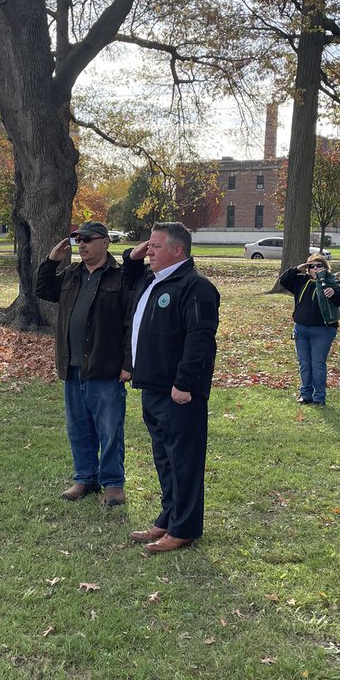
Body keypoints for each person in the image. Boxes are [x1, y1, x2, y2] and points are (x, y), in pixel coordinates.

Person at [121, 222, 220, 554]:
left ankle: (185, 528)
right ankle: (168, 518)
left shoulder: (195, 287)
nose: (149, 252)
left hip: (178, 392)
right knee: (164, 458)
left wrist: (184, 383)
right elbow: (126, 284)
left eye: (156, 247)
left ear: (178, 250)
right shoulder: (153, 281)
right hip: (151, 386)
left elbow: (200, 340)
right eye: (148, 246)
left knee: (184, 460)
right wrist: (133, 257)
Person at [35, 220, 128, 506]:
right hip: (73, 366)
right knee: (78, 427)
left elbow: (129, 324)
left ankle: (113, 484)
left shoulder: (120, 277)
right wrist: (51, 260)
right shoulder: (72, 274)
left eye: (88, 239)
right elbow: (41, 288)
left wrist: (128, 364)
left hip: (105, 366)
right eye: (79, 240)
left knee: (110, 429)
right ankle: (85, 478)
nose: (82, 245)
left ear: (105, 242)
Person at [278, 253, 340, 406]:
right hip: (301, 330)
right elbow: (283, 280)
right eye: (312, 266)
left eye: (319, 265)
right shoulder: (301, 281)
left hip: (323, 330)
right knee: (304, 363)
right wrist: (297, 268)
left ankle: (319, 397)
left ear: (325, 267)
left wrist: (333, 293)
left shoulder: (332, 281)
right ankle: (305, 394)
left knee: (317, 363)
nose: (315, 269)